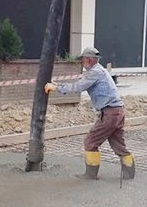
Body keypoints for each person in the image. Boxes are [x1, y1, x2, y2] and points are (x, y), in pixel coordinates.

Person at [44, 47, 134, 180]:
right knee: (119, 145)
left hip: (110, 113)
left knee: (90, 142)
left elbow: (78, 87)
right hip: (117, 111)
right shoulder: (100, 70)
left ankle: (90, 175)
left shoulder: (94, 72)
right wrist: (60, 85)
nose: (82, 62)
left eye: (83, 60)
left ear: (90, 60)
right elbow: (79, 84)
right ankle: (129, 174)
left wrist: (57, 88)